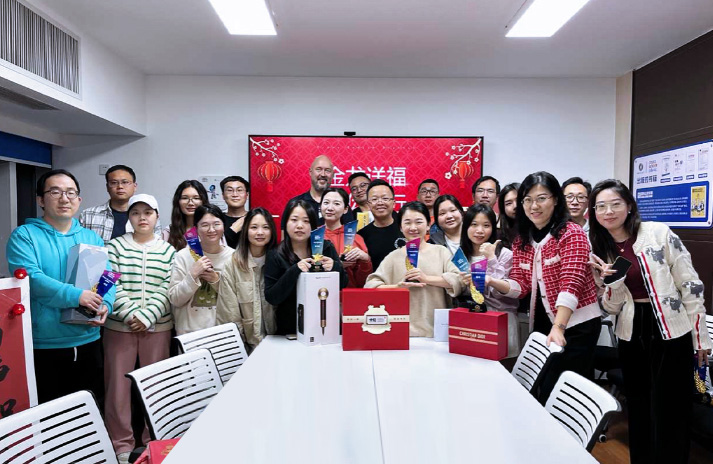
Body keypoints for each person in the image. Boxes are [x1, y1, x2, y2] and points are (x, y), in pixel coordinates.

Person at [588, 179, 711, 464]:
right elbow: (610, 307)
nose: (609, 211)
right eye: (601, 206)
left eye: (615, 204)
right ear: (594, 212)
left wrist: (700, 337)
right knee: (639, 404)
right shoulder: (601, 248)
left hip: (671, 327)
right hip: (631, 331)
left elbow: (690, 285)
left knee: (673, 405)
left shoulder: (657, 233)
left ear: (629, 206)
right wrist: (612, 284)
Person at [486, 171, 601, 403]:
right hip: (542, 322)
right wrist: (492, 281)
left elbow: (571, 283)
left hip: (576, 324)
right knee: (540, 387)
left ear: (556, 199)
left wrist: (558, 327)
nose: (533, 206)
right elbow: (521, 285)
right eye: (527, 200)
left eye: (541, 198)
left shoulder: (572, 233)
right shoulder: (522, 240)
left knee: (563, 392)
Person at [6, 169, 115, 404]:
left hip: (89, 339)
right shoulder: (24, 236)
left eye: (70, 192)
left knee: (89, 410)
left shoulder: (91, 238)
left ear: (79, 199)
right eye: (55, 192)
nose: (64, 198)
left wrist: (106, 303)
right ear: (40, 200)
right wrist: (77, 296)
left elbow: (106, 276)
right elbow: (32, 279)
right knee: (51, 414)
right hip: (45, 344)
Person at [104, 194, 175, 464]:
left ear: (157, 216)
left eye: (148, 212)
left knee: (155, 387)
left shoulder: (168, 251)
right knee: (117, 388)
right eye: (136, 213)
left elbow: (168, 286)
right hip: (119, 328)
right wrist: (132, 314)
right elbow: (109, 282)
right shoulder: (114, 247)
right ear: (129, 217)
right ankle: (121, 444)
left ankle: (152, 441)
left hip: (157, 327)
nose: (142, 218)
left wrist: (147, 315)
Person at [365, 201, 462, 337]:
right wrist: (397, 287)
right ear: (400, 227)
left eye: (418, 222)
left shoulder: (441, 252)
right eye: (407, 222)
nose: (413, 227)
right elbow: (370, 286)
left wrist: (426, 279)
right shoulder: (393, 256)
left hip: (436, 331)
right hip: (400, 332)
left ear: (428, 225)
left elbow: (459, 280)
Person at [265, 199, 348, 335]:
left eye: (306, 221)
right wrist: (295, 270)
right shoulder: (275, 254)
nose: (300, 226)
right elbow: (272, 297)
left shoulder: (325, 247)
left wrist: (335, 267)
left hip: (326, 323)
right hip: (291, 328)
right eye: (294, 220)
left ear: (313, 225)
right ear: (285, 223)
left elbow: (343, 284)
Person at [458, 205, 520, 358]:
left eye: (486, 225)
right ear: (466, 227)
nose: (480, 230)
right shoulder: (461, 255)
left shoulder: (504, 254)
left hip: (501, 319)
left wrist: (491, 258)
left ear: (493, 228)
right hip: (472, 321)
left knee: (502, 366)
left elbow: (500, 291)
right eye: (474, 224)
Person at [217, 207, 277, 352]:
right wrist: (240, 348)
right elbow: (229, 313)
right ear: (245, 231)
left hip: (277, 342)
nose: (260, 232)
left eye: (266, 227)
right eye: (254, 227)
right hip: (246, 346)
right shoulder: (233, 264)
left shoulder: (278, 261)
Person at [169, 204, 233, 335]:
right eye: (204, 225)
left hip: (223, 332)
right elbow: (175, 299)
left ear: (223, 226)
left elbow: (237, 300)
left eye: (216, 224)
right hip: (189, 333)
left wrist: (216, 281)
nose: (211, 229)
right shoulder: (183, 256)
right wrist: (192, 275)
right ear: (196, 228)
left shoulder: (234, 257)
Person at [79, 165, 161, 244]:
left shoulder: (149, 217)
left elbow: (156, 245)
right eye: (114, 183)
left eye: (125, 182)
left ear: (135, 186)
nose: (120, 186)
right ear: (107, 187)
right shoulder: (88, 215)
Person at [281, 155, 354, 231]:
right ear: (310, 172)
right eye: (318, 169)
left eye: (327, 170)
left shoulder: (341, 206)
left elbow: (350, 235)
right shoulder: (295, 203)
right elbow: (285, 236)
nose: (323, 174)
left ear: (333, 174)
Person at [320, 187, 372, 287]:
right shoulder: (313, 236)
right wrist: (338, 265)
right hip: (318, 292)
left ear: (345, 209)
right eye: (326, 203)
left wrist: (365, 260)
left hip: (349, 294)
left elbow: (362, 282)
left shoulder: (355, 238)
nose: (330, 208)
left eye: (336, 204)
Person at [357, 180, 404, 270]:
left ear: (394, 203)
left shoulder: (406, 228)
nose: (380, 203)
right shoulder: (362, 235)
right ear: (368, 205)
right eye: (374, 199)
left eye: (385, 198)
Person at [163, 180, 209, 250]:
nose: (190, 203)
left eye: (196, 198)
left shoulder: (213, 229)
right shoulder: (168, 232)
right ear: (178, 201)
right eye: (185, 198)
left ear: (203, 201)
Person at [220, 175, 250, 248]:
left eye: (239, 190)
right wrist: (233, 230)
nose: (235, 195)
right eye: (230, 190)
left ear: (247, 195)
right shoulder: (217, 219)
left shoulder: (254, 218)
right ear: (223, 195)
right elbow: (214, 245)